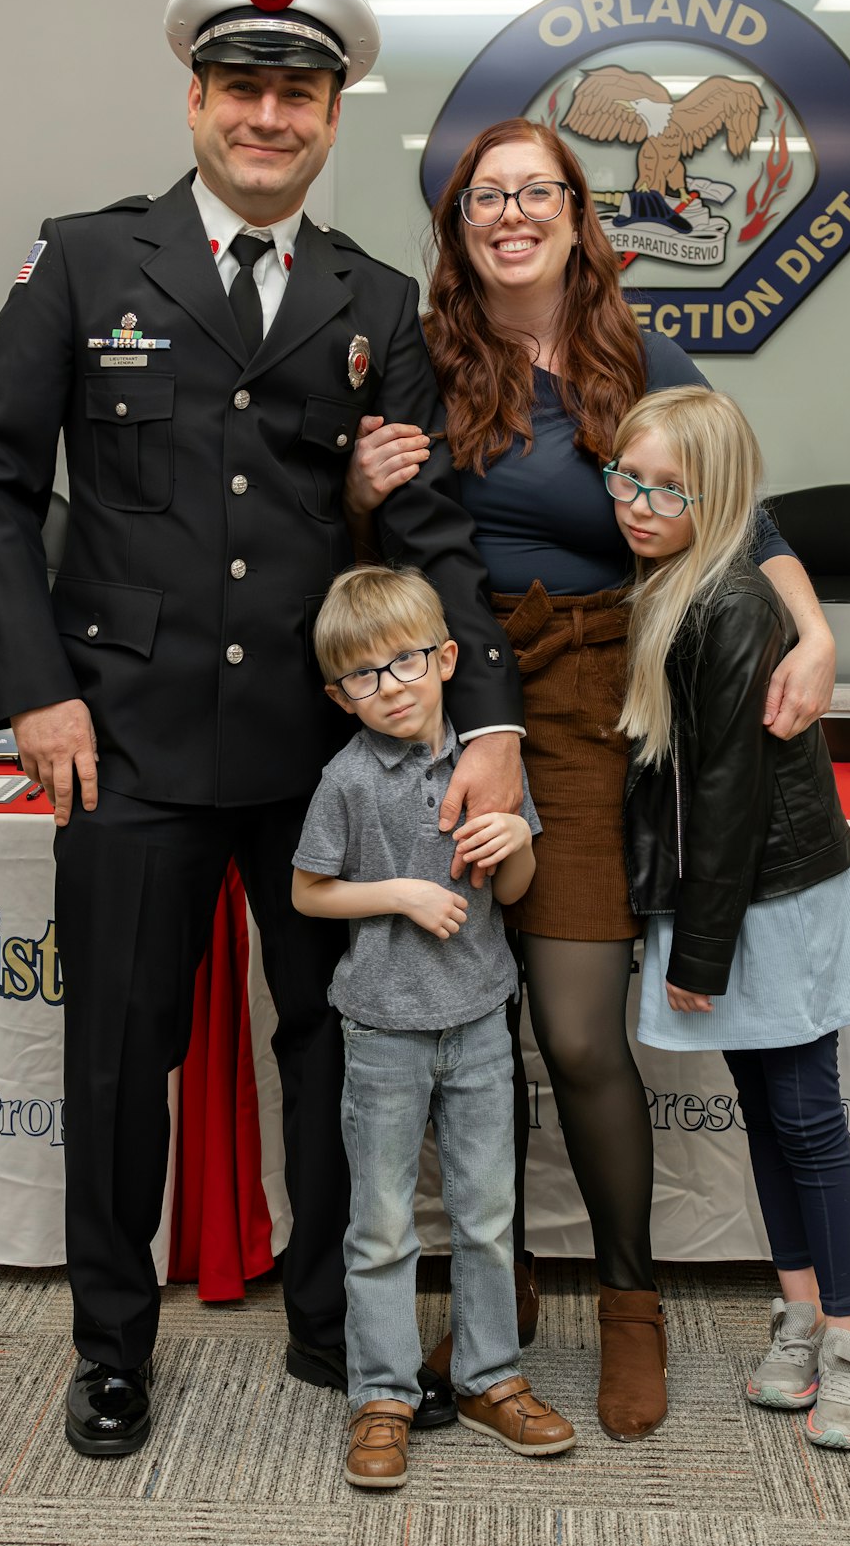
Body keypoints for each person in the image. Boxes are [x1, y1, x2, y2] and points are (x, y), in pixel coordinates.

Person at [0, 0, 524, 1459]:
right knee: (124, 1055)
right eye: (245, 87)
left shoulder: (371, 296)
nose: (270, 115)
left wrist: (490, 724)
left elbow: (430, 525)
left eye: (300, 93)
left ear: (332, 117)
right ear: (196, 97)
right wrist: (35, 697)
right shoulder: (83, 260)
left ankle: (343, 1324)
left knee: (346, 1045)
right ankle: (112, 1348)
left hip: (329, 755)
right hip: (121, 740)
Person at [346, 117, 837, 1440]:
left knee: (571, 1032)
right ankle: (496, 1311)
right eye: (483, 196)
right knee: (461, 1029)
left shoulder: (637, 354)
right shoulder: (423, 351)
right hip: (446, 700)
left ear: (577, 212)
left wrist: (819, 626)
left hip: (595, 704)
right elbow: (383, 534)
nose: (510, 213)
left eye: (535, 192)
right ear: (457, 224)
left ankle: (634, 1301)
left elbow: (741, 504)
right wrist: (355, 483)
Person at [612, 386, 850, 1452]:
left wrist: (698, 947)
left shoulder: (731, 600)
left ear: (717, 495)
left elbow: (724, 790)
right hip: (726, 891)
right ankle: (798, 1309)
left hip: (767, 894)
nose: (637, 504)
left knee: (805, 1113)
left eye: (666, 489)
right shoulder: (667, 576)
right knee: (762, 1111)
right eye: (625, 480)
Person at [292, 566, 574, 1488]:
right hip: (380, 1031)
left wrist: (519, 842)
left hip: (481, 1022)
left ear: (448, 659)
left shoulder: (488, 765)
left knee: (487, 1215)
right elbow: (306, 890)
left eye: (407, 662)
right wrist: (403, 894)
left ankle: (492, 1374)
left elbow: (520, 892)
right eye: (363, 676)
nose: (392, 687)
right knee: (378, 1224)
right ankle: (383, 1391)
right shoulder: (345, 779)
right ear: (339, 694)